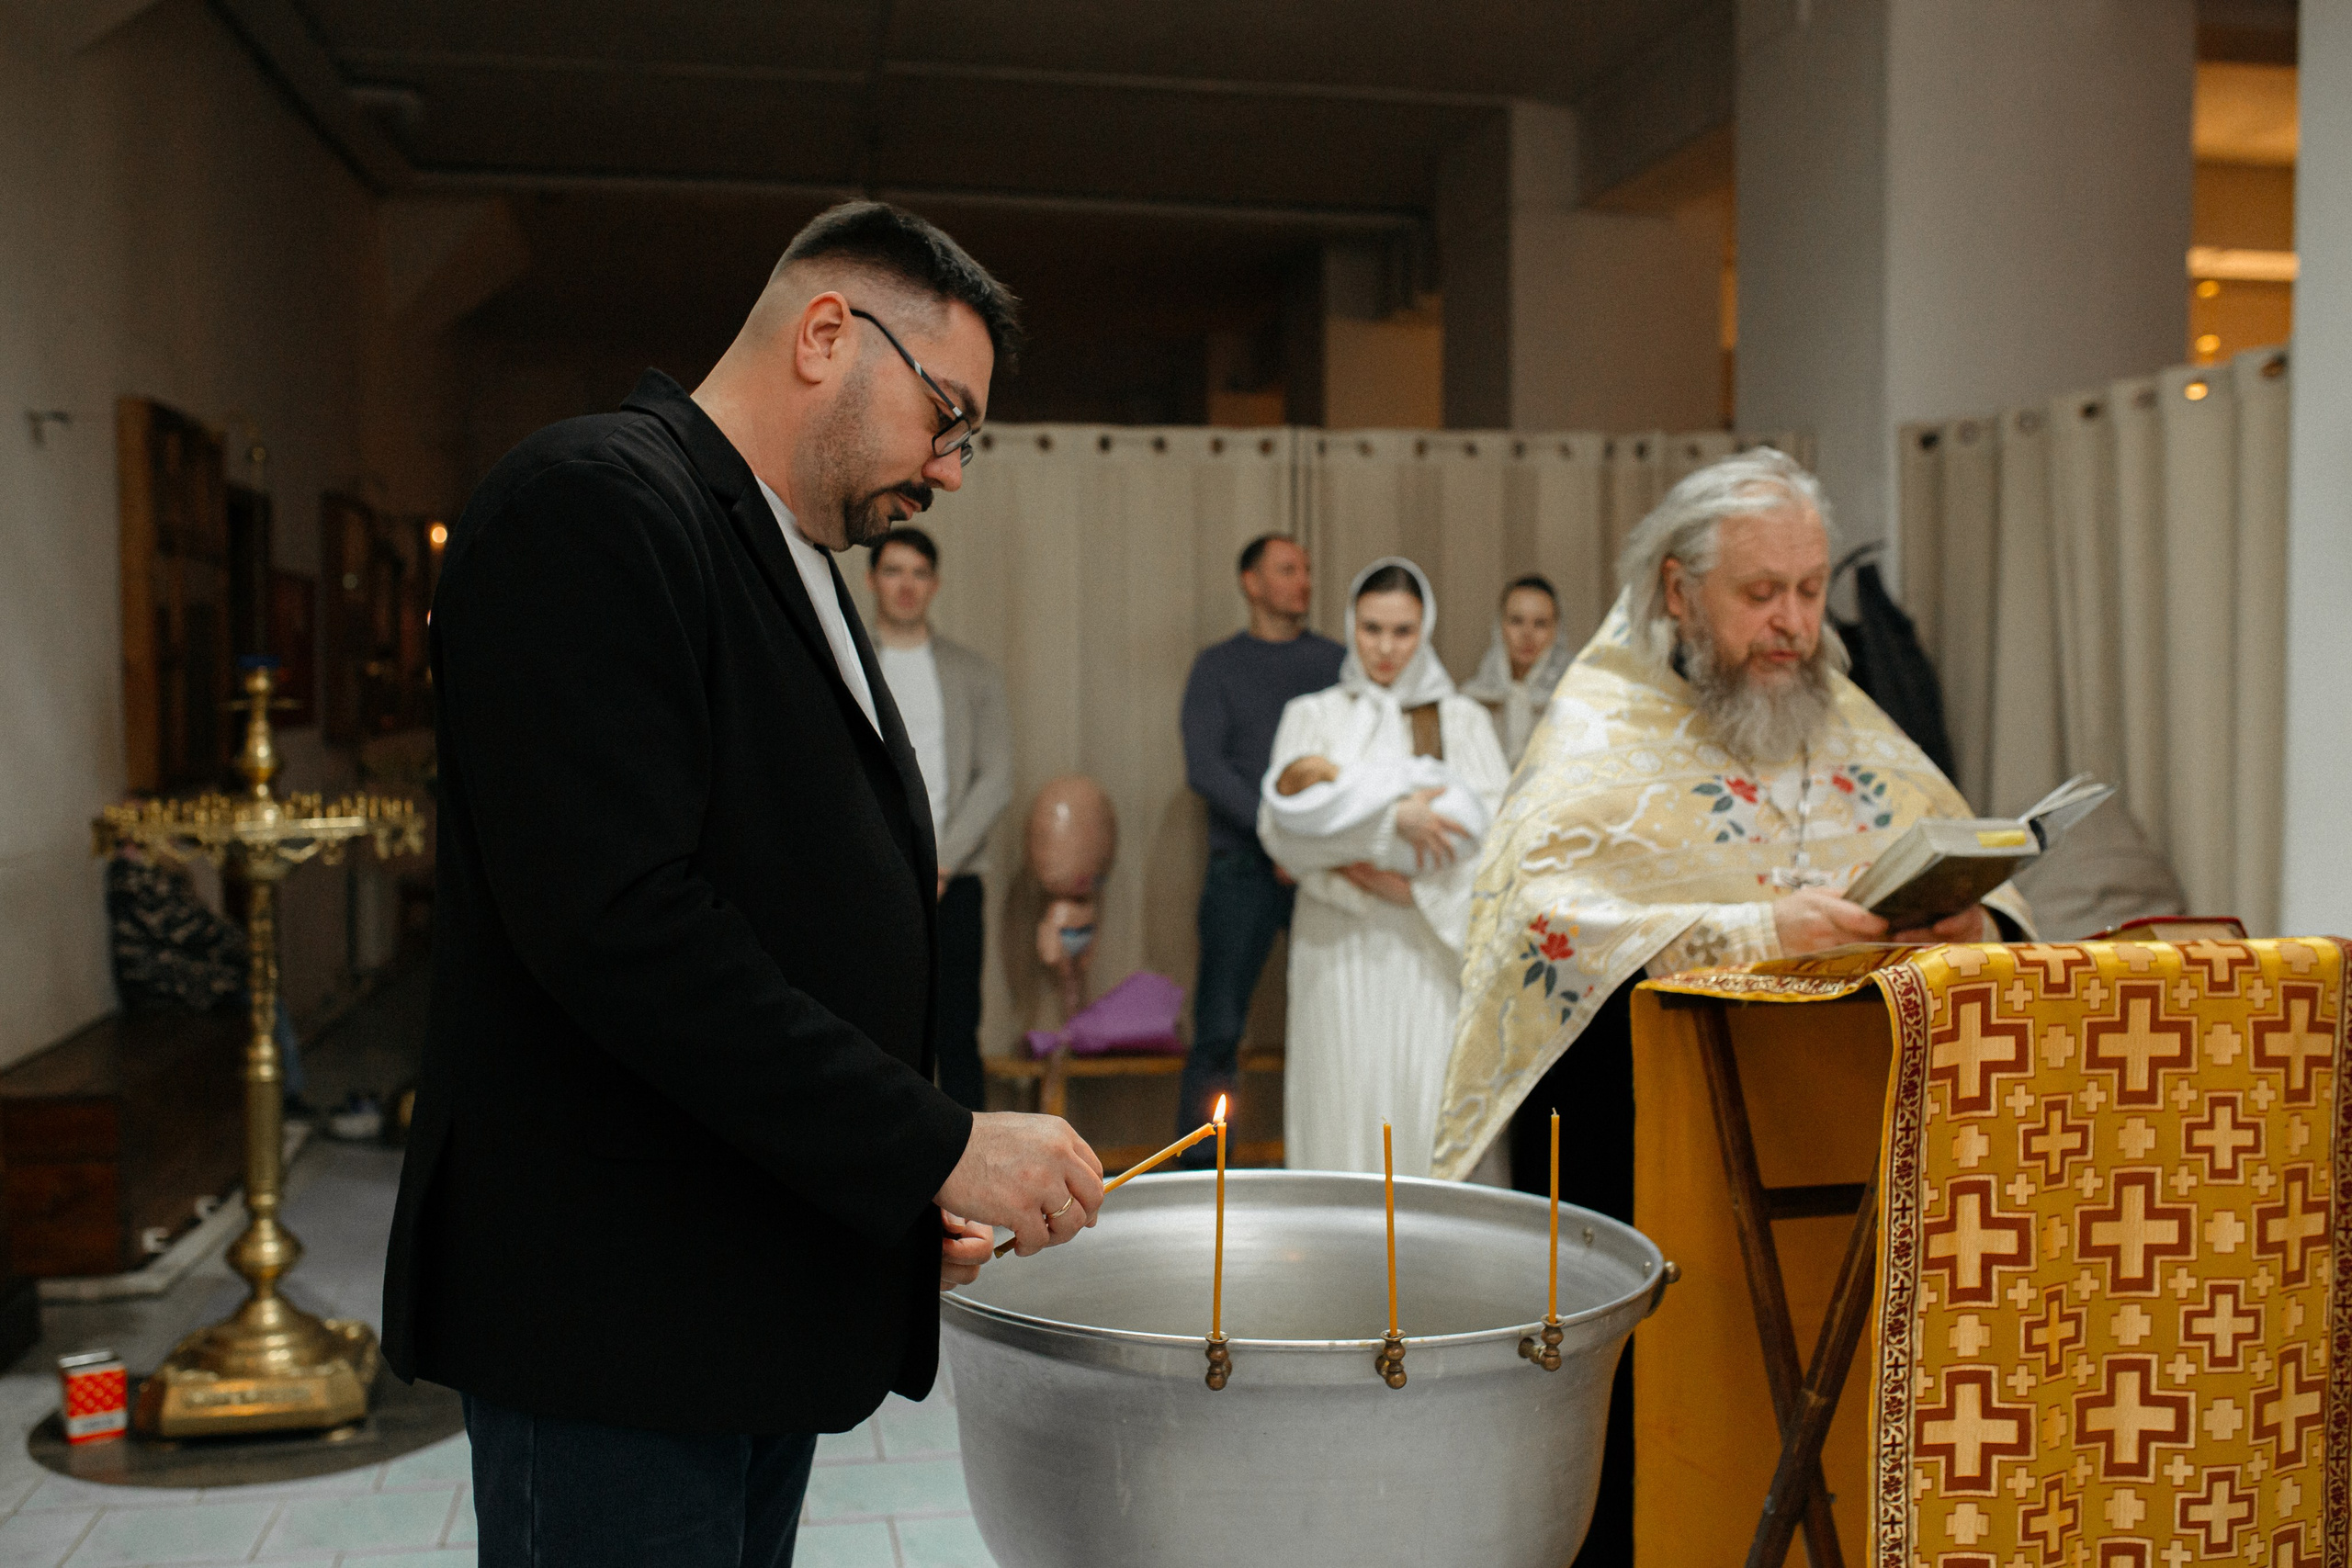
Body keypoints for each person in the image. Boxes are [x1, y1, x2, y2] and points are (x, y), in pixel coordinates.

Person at [383, 201, 1105, 1568]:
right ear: (829, 334)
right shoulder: (592, 503)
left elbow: (788, 901)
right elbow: (624, 927)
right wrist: (933, 1137)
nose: (952, 471)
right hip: (617, 1321)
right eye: (946, 416)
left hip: (732, 1295)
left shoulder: (790, 553)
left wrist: (891, 1183)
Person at [1432, 447, 2031, 1567]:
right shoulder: (1601, 723)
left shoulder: (1846, 719)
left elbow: (1964, 863)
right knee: (1651, 1456)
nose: (1793, 625)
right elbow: (1543, 930)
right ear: (1677, 590)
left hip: (1840, 1138)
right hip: (1654, 1143)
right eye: (1760, 594)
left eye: (1807, 590)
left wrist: (1974, 927)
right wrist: (1762, 934)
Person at [1258, 558, 1509, 1178]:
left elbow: (1497, 843)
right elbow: (1282, 831)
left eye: (1402, 631)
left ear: (1425, 629)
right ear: (1350, 625)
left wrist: (1407, 885)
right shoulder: (1312, 714)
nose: (1386, 647)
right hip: (1337, 942)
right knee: (1342, 1101)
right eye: (1372, 629)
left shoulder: (1462, 720)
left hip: (1429, 946)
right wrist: (1386, 827)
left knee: (1423, 1104)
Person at [1173, 535, 1344, 1150]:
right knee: (1218, 1030)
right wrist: (1278, 837)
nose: (1303, 579)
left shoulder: (1337, 662)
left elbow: (1352, 762)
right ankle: (1201, 1181)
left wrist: (1306, 845)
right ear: (1251, 581)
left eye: (1307, 568)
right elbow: (1206, 767)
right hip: (1243, 868)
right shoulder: (1217, 666)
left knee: (1335, 1023)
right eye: (1286, 568)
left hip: (1323, 870)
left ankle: (1327, 1162)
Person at [865, 525, 1013, 1111]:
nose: (906, 585)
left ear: (936, 584)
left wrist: (943, 862)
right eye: (893, 571)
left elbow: (995, 777)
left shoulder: (972, 671)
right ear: (872, 579)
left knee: (956, 1029)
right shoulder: (845, 663)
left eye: (919, 573)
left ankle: (981, 1187)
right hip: (870, 875)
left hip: (956, 879)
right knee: (874, 1025)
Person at [1459, 573, 1572, 769]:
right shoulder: (1471, 702)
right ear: (1500, 626)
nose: (1527, 634)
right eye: (1516, 621)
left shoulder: (1572, 703)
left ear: (1556, 631)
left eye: (1540, 624)